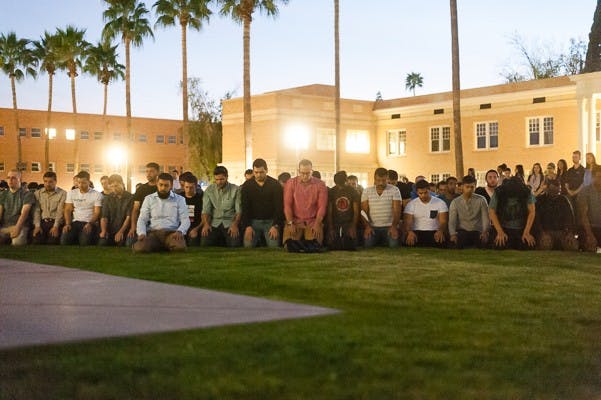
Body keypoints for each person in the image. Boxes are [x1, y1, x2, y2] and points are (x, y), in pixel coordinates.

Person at [133, 173, 189, 253]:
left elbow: (185, 219)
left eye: (166, 185)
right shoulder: (149, 199)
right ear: (157, 184)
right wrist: (142, 233)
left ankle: (163, 245)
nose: (163, 188)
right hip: (153, 233)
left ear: (171, 185)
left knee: (180, 248)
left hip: (171, 233)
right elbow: (142, 219)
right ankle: (162, 246)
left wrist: (180, 231)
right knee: (140, 249)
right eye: (161, 185)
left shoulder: (180, 199)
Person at [283, 159, 328, 246]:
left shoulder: (320, 185)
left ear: (312, 171)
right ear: (298, 171)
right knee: (289, 245)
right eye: (302, 173)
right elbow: (287, 205)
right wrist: (290, 223)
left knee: (314, 245)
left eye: (308, 173)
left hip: (313, 222)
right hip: (295, 221)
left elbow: (322, 207)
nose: (305, 176)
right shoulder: (291, 183)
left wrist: (318, 223)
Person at [241, 158, 283, 248]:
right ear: (253, 171)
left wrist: (275, 225)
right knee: (247, 246)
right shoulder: (247, 186)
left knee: (274, 247)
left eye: (261, 172)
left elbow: (279, 207)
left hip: (270, 222)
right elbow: (245, 207)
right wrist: (247, 226)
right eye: (256, 172)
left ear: (266, 170)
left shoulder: (275, 185)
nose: (259, 175)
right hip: (253, 222)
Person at [488, 176, 536, 250]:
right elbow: (491, 211)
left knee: (527, 245)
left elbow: (532, 212)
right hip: (503, 227)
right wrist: (500, 232)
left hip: (521, 228)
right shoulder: (499, 192)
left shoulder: (526, 192)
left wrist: (526, 232)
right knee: (499, 245)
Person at [201, 166, 242, 247]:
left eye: (222, 179)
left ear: (227, 177)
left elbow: (239, 211)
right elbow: (206, 211)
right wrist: (206, 224)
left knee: (234, 244)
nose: (219, 182)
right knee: (204, 243)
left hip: (230, 222)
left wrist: (235, 224)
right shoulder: (209, 190)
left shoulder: (236, 189)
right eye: (217, 179)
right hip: (214, 223)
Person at [360, 168, 401, 248]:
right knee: (367, 245)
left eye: (383, 180)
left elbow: (397, 211)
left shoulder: (395, 190)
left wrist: (394, 226)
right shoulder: (367, 191)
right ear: (374, 179)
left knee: (394, 245)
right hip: (373, 227)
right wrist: (367, 227)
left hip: (389, 226)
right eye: (378, 180)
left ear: (387, 179)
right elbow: (363, 212)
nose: (381, 183)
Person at [534, 178, 578, 251]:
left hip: (562, 232)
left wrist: (570, 233)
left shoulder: (563, 200)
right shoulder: (540, 200)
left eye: (557, 191)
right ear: (547, 189)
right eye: (553, 191)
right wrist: (542, 233)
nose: (555, 193)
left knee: (572, 246)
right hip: (546, 231)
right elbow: (537, 220)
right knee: (545, 245)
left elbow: (570, 217)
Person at [60, 170, 103, 246]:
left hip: (88, 222)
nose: (80, 185)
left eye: (83, 183)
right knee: (64, 240)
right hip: (75, 222)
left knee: (84, 242)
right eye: (79, 182)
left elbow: (97, 212)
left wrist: (90, 223)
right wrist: (67, 224)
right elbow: (67, 210)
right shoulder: (72, 193)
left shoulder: (96, 194)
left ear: (89, 182)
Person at [448, 175, 489, 249]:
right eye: (467, 187)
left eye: (472, 187)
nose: (470, 189)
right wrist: (452, 234)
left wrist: (485, 232)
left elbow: (486, 218)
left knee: (483, 243)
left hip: (477, 231)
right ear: (462, 187)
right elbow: (452, 221)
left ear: (475, 187)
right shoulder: (455, 202)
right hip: (462, 231)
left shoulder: (481, 200)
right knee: (457, 242)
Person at [404, 179, 448, 247]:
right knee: (409, 240)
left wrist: (440, 230)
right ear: (417, 192)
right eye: (420, 193)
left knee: (441, 241)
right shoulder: (411, 204)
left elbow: (443, 222)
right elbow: (407, 222)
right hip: (417, 232)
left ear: (429, 190)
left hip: (434, 231)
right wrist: (410, 232)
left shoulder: (440, 203)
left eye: (425, 192)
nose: (423, 195)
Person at [0, 169, 35, 246]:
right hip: (5, 227)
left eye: (13, 178)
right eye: (8, 178)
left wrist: (17, 228)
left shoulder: (27, 194)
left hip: (21, 225)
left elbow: (24, 214)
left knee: (17, 243)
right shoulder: (3, 194)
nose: (10, 180)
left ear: (20, 180)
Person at [128, 162, 159, 244]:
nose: (148, 174)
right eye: (147, 171)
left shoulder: (161, 188)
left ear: (157, 173)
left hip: (158, 223)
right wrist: (133, 227)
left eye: (151, 171)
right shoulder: (141, 189)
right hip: (142, 222)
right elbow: (135, 210)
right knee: (130, 243)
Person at [32, 171, 66, 245]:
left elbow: (60, 211)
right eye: (45, 181)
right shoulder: (37, 193)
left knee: (52, 242)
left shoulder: (63, 193)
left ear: (55, 181)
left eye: (50, 182)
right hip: (42, 222)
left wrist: (56, 226)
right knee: (37, 241)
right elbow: (37, 211)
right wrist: (37, 226)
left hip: (55, 222)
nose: (48, 184)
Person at [327, 171, 359, 250]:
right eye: (338, 185)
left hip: (348, 223)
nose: (340, 188)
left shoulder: (353, 191)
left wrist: (353, 226)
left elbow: (356, 211)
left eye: (342, 185)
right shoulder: (332, 191)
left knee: (351, 246)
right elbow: (329, 211)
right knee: (332, 246)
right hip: (335, 223)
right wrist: (331, 228)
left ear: (346, 181)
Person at [98, 174, 133, 247]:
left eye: (116, 186)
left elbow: (128, 217)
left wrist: (120, 232)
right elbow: (104, 217)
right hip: (110, 229)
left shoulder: (130, 197)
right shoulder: (107, 198)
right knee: (102, 243)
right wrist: (104, 231)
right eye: (112, 186)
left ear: (122, 184)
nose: (114, 189)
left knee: (123, 243)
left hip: (124, 229)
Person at [577, 166, 601, 252]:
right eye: (599, 177)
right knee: (589, 246)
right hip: (588, 228)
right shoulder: (585, 192)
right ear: (593, 177)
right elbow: (583, 216)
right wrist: (590, 235)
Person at [180, 173, 204, 246]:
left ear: (196, 186)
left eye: (191, 187)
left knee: (193, 242)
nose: (188, 190)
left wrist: (196, 229)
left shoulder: (201, 199)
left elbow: (204, 218)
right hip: (181, 227)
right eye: (186, 187)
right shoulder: (179, 198)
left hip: (195, 227)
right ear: (183, 186)